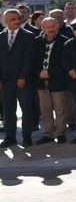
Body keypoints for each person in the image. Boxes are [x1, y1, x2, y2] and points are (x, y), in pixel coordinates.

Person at [0, 8, 36, 147]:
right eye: (12, 19)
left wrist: (23, 77)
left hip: (23, 80)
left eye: (18, 18)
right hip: (5, 81)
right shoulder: (0, 36)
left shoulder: (28, 36)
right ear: (5, 21)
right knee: (9, 110)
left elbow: (29, 59)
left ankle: (27, 136)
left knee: (26, 109)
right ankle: (10, 137)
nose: (16, 21)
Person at [33, 17, 68, 144]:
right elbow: (32, 61)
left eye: (53, 26)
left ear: (57, 27)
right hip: (41, 81)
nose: (50, 29)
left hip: (58, 80)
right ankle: (48, 134)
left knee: (60, 109)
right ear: (42, 28)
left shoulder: (64, 41)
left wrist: (49, 73)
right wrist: (39, 73)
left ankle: (60, 133)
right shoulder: (36, 42)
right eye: (47, 27)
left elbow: (64, 62)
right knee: (45, 109)